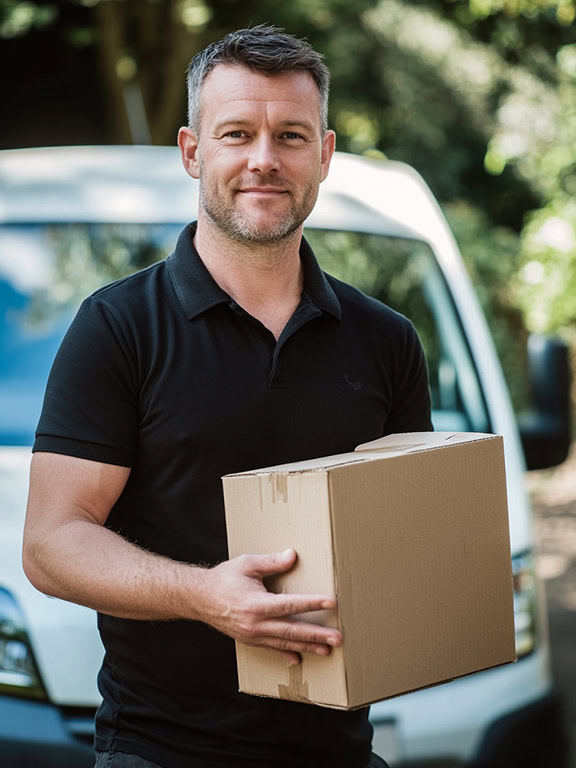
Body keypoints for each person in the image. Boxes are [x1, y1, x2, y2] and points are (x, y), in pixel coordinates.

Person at [23, 25, 432, 768]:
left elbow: (404, 543)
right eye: (237, 133)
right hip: (161, 749)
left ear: (326, 154)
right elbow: (51, 546)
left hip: (338, 749)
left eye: (291, 136)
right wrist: (205, 595)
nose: (264, 160)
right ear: (192, 151)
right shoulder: (118, 327)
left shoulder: (387, 341)